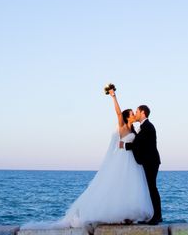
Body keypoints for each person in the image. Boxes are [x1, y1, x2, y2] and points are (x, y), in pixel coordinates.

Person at [22, 89, 153, 228]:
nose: (134, 115)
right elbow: (118, 113)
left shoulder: (134, 130)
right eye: (132, 113)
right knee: (117, 184)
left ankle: (129, 215)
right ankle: (114, 213)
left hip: (132, 160)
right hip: (122, 159)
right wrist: (114, 96)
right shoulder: (122, 127)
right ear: (127, 116)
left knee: (130, 186)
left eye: (135, 113)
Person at [119, 104, 162, 225]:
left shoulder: (147, 127)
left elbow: (139, 144)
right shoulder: (143, 127)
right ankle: (157, 215)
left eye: (137, 111)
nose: (136, 114)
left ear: (143, 113)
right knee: (151, 188)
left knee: (152, 188)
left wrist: (125, 145)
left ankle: (157, 217)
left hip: (151, 161)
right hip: (149, 161)